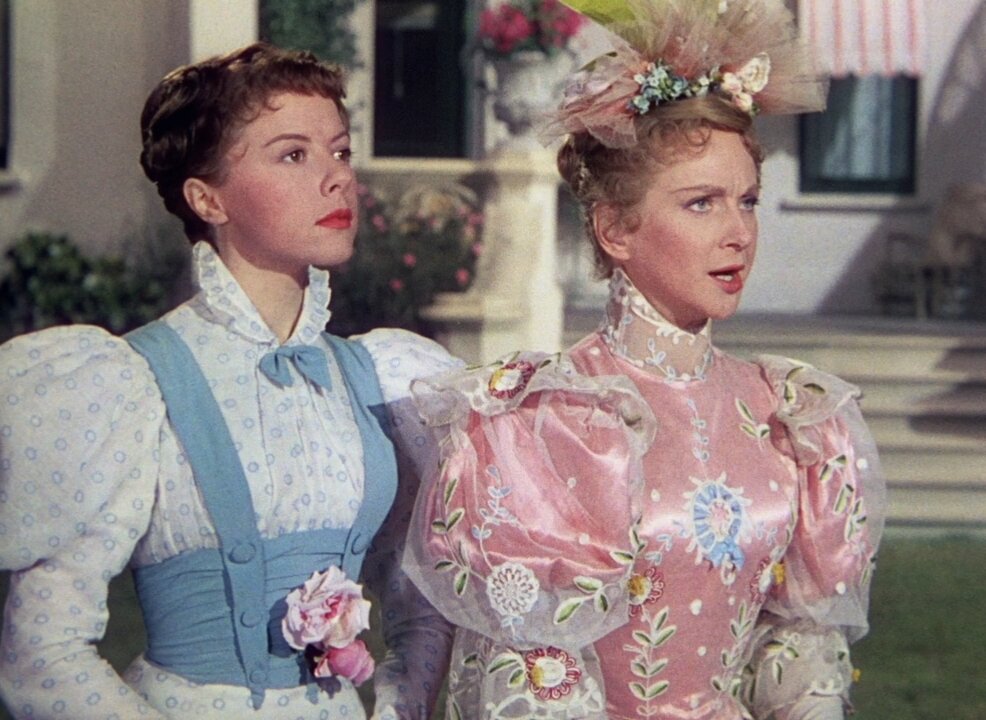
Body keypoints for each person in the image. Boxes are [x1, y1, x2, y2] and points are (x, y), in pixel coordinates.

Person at [402, 1, 886, 718]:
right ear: (615, 229)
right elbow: (536, 678)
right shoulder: (547, 421)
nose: (738, 233)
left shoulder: (789, 413)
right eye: (702, 204)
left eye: (748, 201)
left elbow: (797, 649)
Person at [0, 43, 455, 719]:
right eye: (293, 154)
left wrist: (395, 711)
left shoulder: (379, 380)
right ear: (206, 198)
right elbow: (39, 650)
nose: (336, 177)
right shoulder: (133, 384)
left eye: (340, 151)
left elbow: (423, 607)